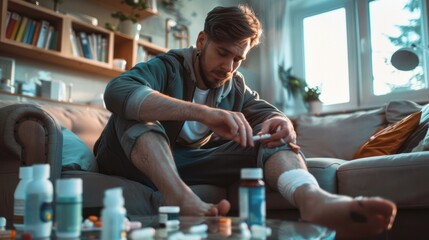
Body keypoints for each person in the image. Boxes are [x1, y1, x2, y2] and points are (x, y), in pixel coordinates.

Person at [94, 4, 397, 238]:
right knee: (134, 115)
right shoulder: (167, 67)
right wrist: (203, 113)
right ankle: (180, 197)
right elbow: (118, 91)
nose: (228, 66)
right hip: (127, 158)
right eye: (222, 53)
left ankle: (313, 200)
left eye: (238, 59)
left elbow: (267, 112)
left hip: (181, 161)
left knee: (271, 135)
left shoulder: (234, 85)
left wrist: (282, 122)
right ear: (202, 41)